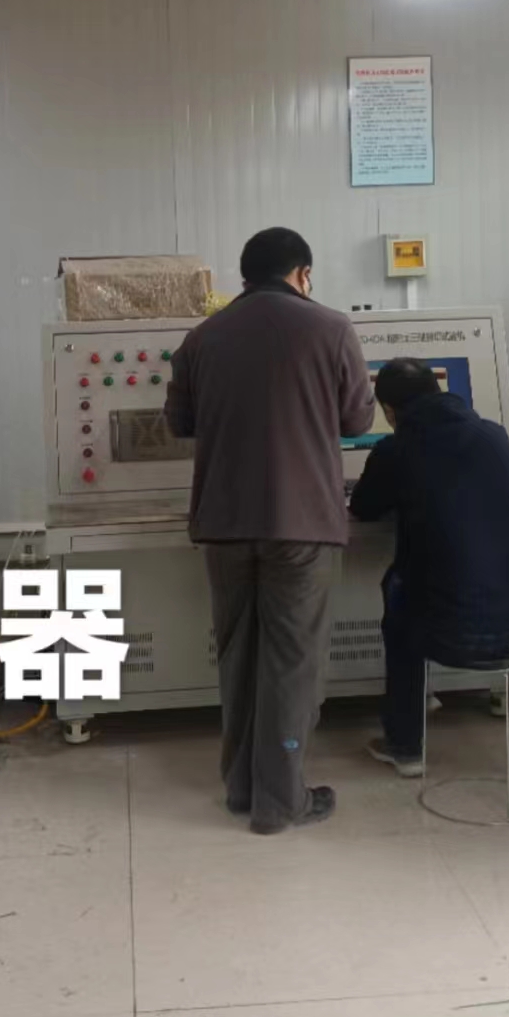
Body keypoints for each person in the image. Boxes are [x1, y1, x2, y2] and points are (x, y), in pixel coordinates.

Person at [165, 227, 374, 835]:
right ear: (302, 274)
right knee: (292, 661)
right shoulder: (331, 327)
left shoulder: (202, 337)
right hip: (301, 522)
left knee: (238, 655)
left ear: (245, 275)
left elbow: (179, 423)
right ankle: (281, 801)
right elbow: (357, 418)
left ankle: (241, 788)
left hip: (224, 521)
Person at [348, 358, 509, 777]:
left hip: (450, 632)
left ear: (390, 411)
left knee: (400, 590)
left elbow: (363, 507)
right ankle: (443, 695)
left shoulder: (396, 449)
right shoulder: (494, 434)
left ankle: (404, 745)